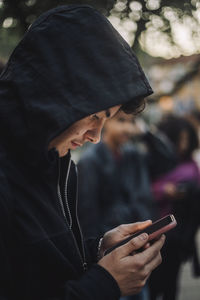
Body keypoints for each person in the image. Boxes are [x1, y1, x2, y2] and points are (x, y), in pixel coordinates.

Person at [0, 5, 165, 300]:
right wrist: (105, 284)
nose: (96, 136)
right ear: (56, 94)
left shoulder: (58, 165)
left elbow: (39, 266)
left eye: (106, 120)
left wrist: (95, 250)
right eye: (94, 115)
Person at [149, 115, 200, 300]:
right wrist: (165, 191)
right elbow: (143, 191)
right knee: (153, 286)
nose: (183, 145)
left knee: (171, 285)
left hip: (178, 235)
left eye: (186, 139)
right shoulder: (156, 161)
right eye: (179, 139)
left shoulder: (192, 165)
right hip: (154, 230)